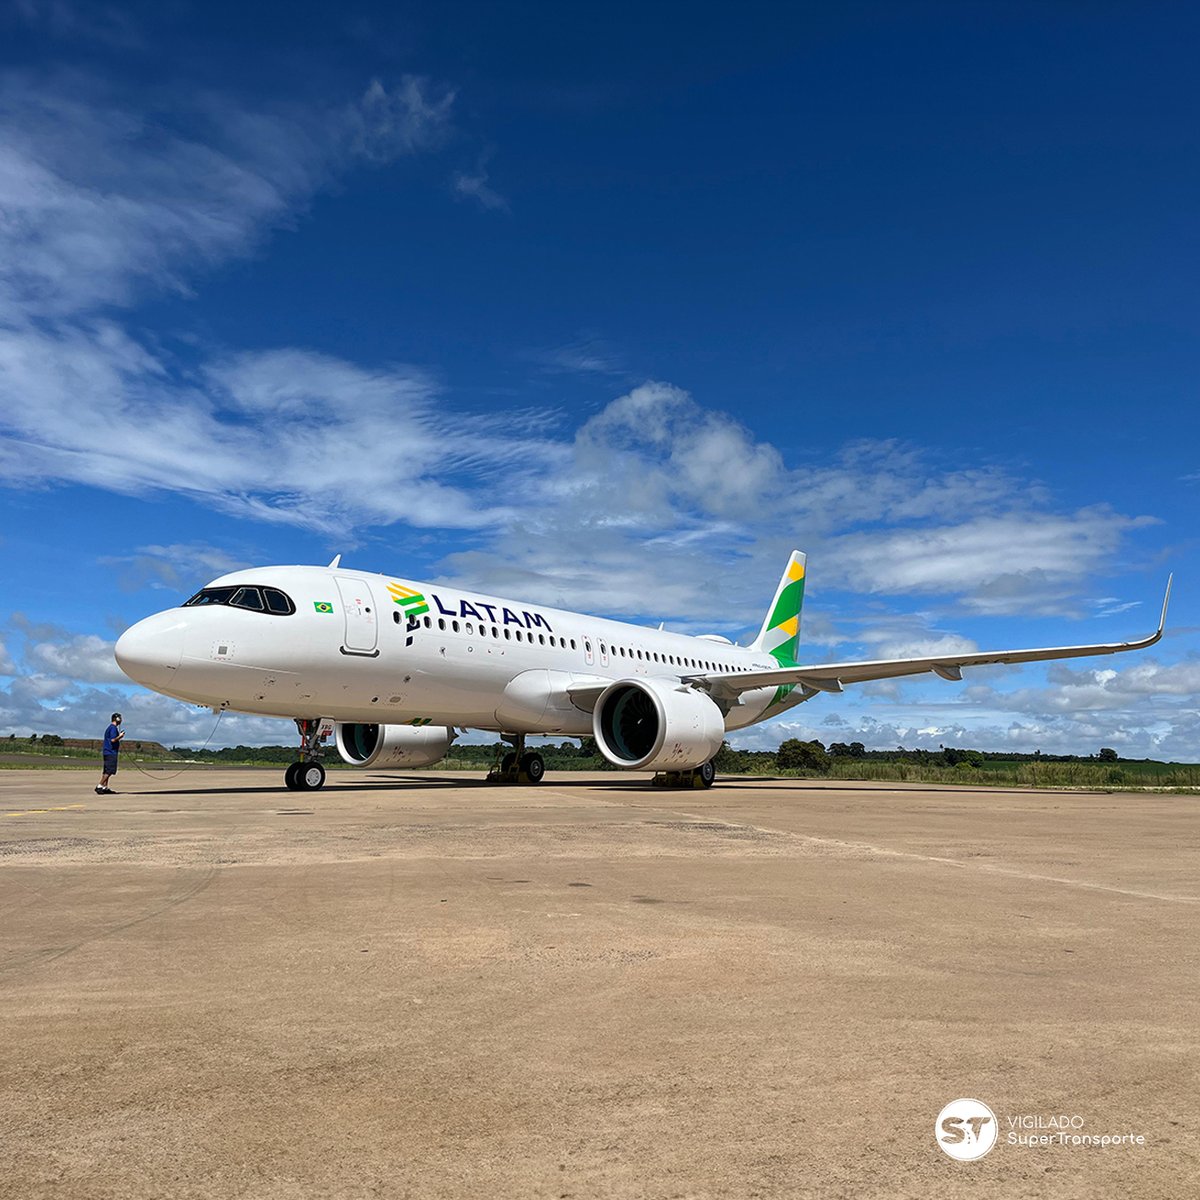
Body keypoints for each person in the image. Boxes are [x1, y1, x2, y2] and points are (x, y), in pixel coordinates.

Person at [97, 712, 124, 794]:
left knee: (106, 771)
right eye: (120, 718)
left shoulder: (111, 728)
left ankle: (105, 787)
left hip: (107, 752)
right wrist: (120, 736)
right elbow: (113, 740)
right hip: (111, 752)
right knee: (109, 771)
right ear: (117, 719)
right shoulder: (113, 728)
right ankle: (99, 785)